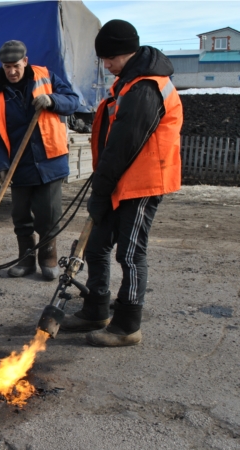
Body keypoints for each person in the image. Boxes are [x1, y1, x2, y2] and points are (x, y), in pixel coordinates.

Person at [60, 20, 183, 346]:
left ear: (123, 52)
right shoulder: (127, 83)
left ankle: (127, 325)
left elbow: (125, 144)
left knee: (129, 253)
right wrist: (103, 186)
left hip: (141, 184)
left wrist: (101, 188)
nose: (105, 65)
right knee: (97, 245)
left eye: (108, 58)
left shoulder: (146, 88)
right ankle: (96, 308)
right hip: (119, 181)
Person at [0, 40, 80, 280]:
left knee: (48, 214)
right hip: (19, 164)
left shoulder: (46, 76)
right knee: (21, 216)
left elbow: (73, 101)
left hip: (49, 161)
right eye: (7, 67)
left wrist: (53, 101)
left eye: (16, 65)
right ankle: (26, 262)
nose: (12, 71)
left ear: (25, 61)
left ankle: (48, 258)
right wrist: (1, 167)